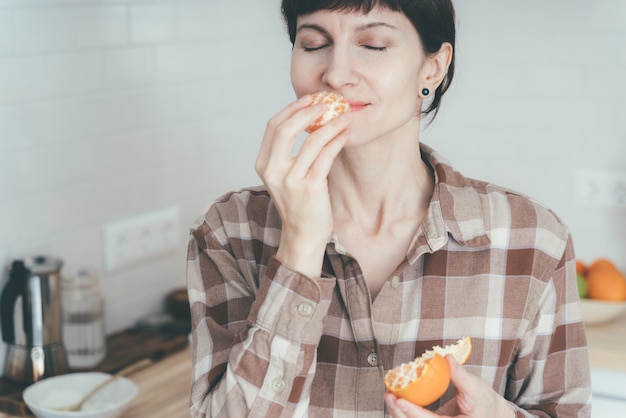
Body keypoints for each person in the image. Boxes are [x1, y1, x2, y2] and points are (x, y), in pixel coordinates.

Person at [186, 0, 592, 417]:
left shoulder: (533, 239)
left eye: (374, 45)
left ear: (433, 68)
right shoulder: (229, 231)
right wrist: (300, 249)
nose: (335, 74)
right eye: (313, 44)